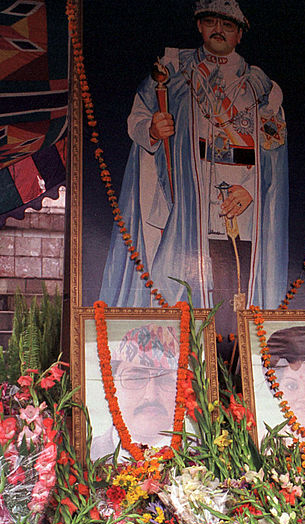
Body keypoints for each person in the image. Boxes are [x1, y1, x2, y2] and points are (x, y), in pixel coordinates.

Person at [99, 0, 288, 329]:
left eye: (227, 25)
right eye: (211, 21)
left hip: (242, 201)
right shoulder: (173, 70)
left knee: (236, 290)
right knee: (180, 285)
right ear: (199, 25)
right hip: (188, 203)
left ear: (239, 34)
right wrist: (153, 131)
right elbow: (141, 115)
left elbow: (274, 145)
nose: (218, 29)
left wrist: (253, 187)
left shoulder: (262, 87)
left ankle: (230, 367)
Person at [90, 324, 180, 460]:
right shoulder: (86, 455)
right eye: (136, 378)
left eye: (165, 379)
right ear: (112, 386)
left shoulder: (200, 457)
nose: (151, 395)